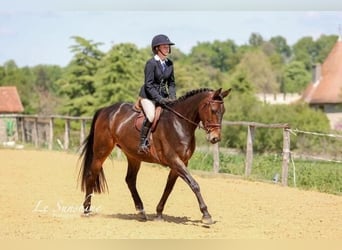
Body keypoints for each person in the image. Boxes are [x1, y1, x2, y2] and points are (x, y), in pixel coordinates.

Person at [137, 34, 177, 153]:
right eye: (164, 47)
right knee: (151, 116)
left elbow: (171, 83)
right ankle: (143, 142)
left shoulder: (170, 64)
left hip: (163, 97)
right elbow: (148, 85)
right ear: (157, 48)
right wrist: (160, 99)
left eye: (168, 47)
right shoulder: (151, 63)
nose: (167, 49)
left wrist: (173, 98)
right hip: (148, 97)